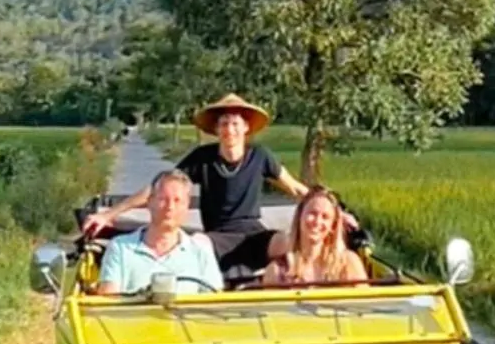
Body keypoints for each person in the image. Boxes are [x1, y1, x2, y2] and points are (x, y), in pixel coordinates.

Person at [83, 93, 354, 275]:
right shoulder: (202, 158)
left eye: (235, 123)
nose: (230, 130)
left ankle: (318, 285)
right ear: (216, 130)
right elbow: (158, 191)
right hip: (217, 236)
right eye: (224, 124)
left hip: (254, 233)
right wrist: (109, 214)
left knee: (293, 243)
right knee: (191, 246)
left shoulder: (260, 156)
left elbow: (297, 190)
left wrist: (338, 215)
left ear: (246, 128)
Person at [96, 169, 223, 295]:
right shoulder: (120, 248)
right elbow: (108, 300)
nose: (170, 207)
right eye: (163, 199)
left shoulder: (201, 251)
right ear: (150, 202)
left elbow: (214, 304)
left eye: (177, 201)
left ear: (187, 206)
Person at [262, 186, 369, 286]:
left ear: (333, 226)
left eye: (325, 217)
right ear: (299, 217)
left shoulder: (349, 263)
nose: (317, 221)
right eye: (312, 213)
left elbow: (367, 302)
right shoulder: (276, 272)